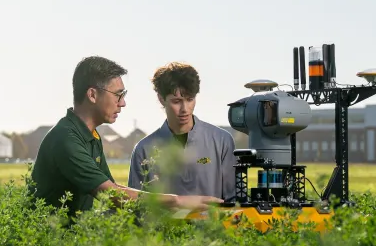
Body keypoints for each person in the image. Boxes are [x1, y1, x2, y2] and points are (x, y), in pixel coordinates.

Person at [30, 56, 223, 220]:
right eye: (118, 95)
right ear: (92, 94)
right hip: (46, 242)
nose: (123, 103)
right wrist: (177, 201)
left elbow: (115, 193)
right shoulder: (66, 139)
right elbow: (110, 194)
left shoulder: (90, 136)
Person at [128, 62, 237, 201]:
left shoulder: (222, 141)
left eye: (190, 100)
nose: (185, 109)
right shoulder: (143, 149)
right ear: (161, 99)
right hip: (164, 223)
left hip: (213, 222)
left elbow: (234, 199)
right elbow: (136, 205)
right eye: (176, 101)